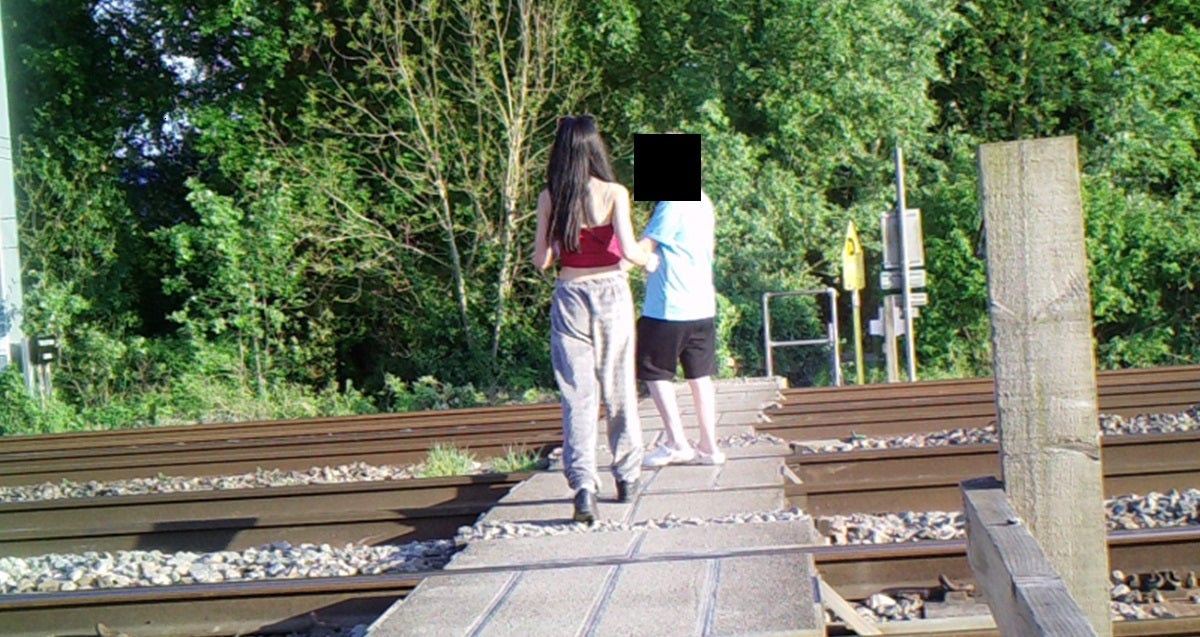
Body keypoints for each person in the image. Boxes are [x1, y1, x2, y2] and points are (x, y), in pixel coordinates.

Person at [533, 115, 658, 523]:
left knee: (578, 395)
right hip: (610, 294)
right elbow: (629, 251)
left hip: (569, 295)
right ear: (594, 147)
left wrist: (558, 238)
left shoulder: (550, 195)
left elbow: (542, 262)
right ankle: (627, 475)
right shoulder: (614, 192)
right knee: (618, 386)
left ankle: (584, 488)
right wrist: (650, 259)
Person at [637, 191, 726, 467]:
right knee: (700, 376)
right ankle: (709, 446)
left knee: (654, 370)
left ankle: (677, 442)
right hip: (701, 304)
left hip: (667, 306)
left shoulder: (671, 203)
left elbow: (644, 248)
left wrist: (638, 258)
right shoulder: (703, 200)